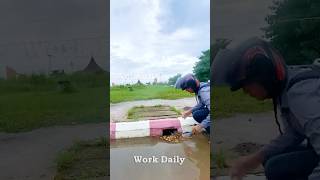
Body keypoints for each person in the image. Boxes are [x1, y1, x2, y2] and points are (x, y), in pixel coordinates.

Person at [211, 37, 320, 180]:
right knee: (272, 162)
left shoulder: (301, 94)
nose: (246, 92)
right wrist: (252, 160)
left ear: (263, 75)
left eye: (245, 85)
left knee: (278, 168)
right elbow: (294, 134)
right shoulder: (287, 90)